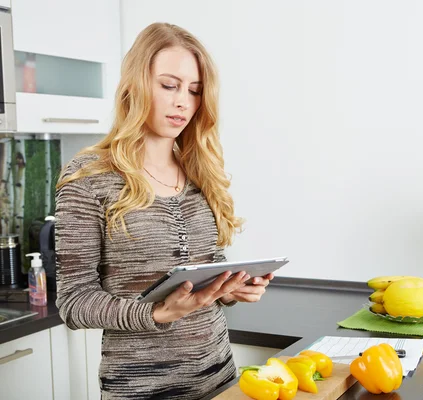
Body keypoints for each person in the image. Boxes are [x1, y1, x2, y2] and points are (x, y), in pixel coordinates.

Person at [55, 22, 273, 399]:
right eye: (169, 85)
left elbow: (204, 268)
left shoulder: (200, 170)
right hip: (141, 389)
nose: (183, 102)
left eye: (194, 90)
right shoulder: (88, 178)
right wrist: (156, 313)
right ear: (136, 85)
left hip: (220, 380)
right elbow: (74, 302)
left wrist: (229, 288)